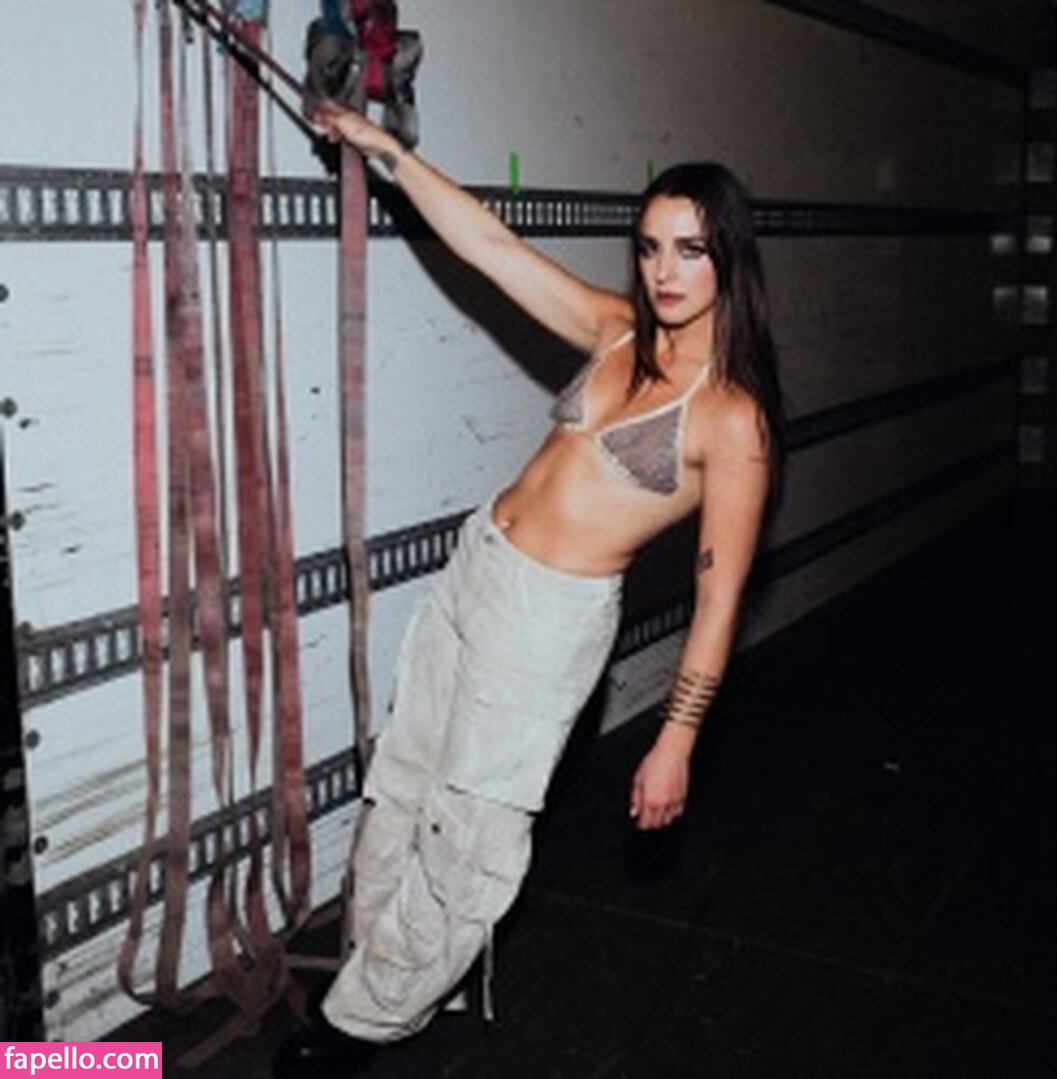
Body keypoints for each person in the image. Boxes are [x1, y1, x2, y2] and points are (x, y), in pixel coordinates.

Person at [275, 101, 783, 1075]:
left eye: (690, 250)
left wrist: (677, 739)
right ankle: (376, 976)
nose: (664, 271)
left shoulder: (733, 418)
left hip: (550, 620)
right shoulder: (618, 332)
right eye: (650, 247)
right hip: (480, 566)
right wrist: (389, 154)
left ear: (731, 258)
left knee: (472, 830)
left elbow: (721, 597)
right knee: (404, 784)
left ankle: (354, 1028)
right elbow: (493, 249)